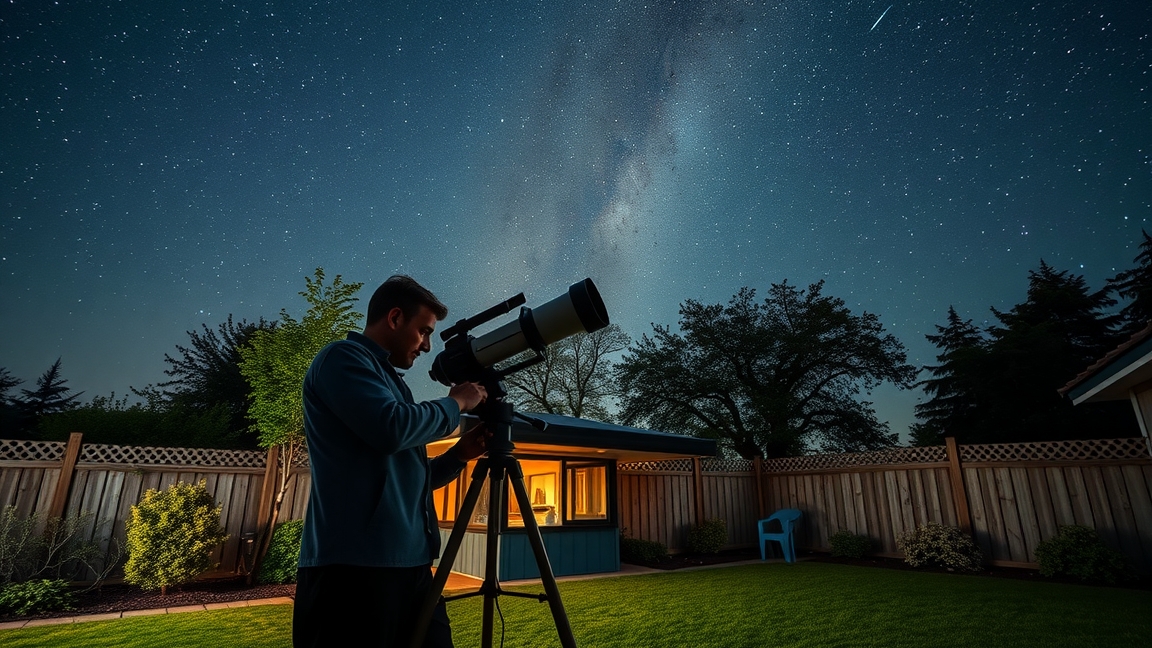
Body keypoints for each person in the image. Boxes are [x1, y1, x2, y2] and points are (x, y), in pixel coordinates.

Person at [292, 275, 490, 648]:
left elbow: (406, 478)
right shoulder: (342, 359)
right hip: (353, 571)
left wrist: (459, 455)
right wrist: (456, 403)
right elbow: (392, 428)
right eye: (424, 331)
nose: (427, 345)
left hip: (411, 567)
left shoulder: (391, 382)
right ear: (395, 318)